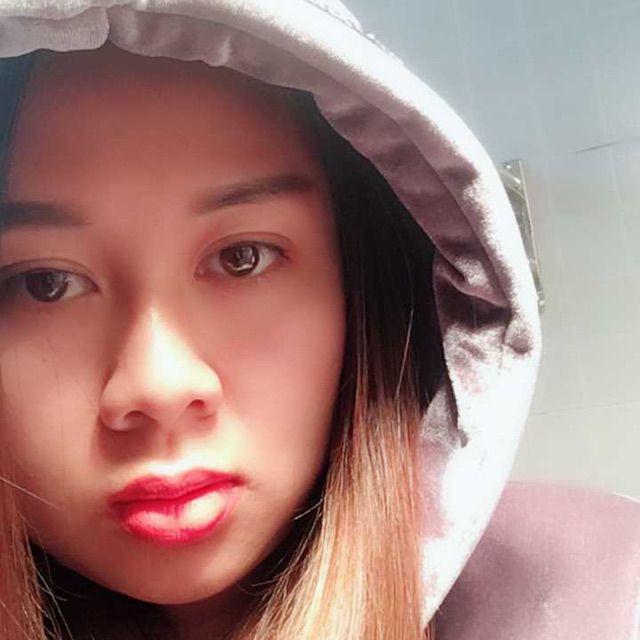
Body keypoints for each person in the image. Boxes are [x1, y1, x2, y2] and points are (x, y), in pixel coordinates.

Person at [0, 2, 542, 639]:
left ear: (359, 284)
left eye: (243, 257)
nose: (160, 388)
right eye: (45, 284)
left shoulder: (598, 599)